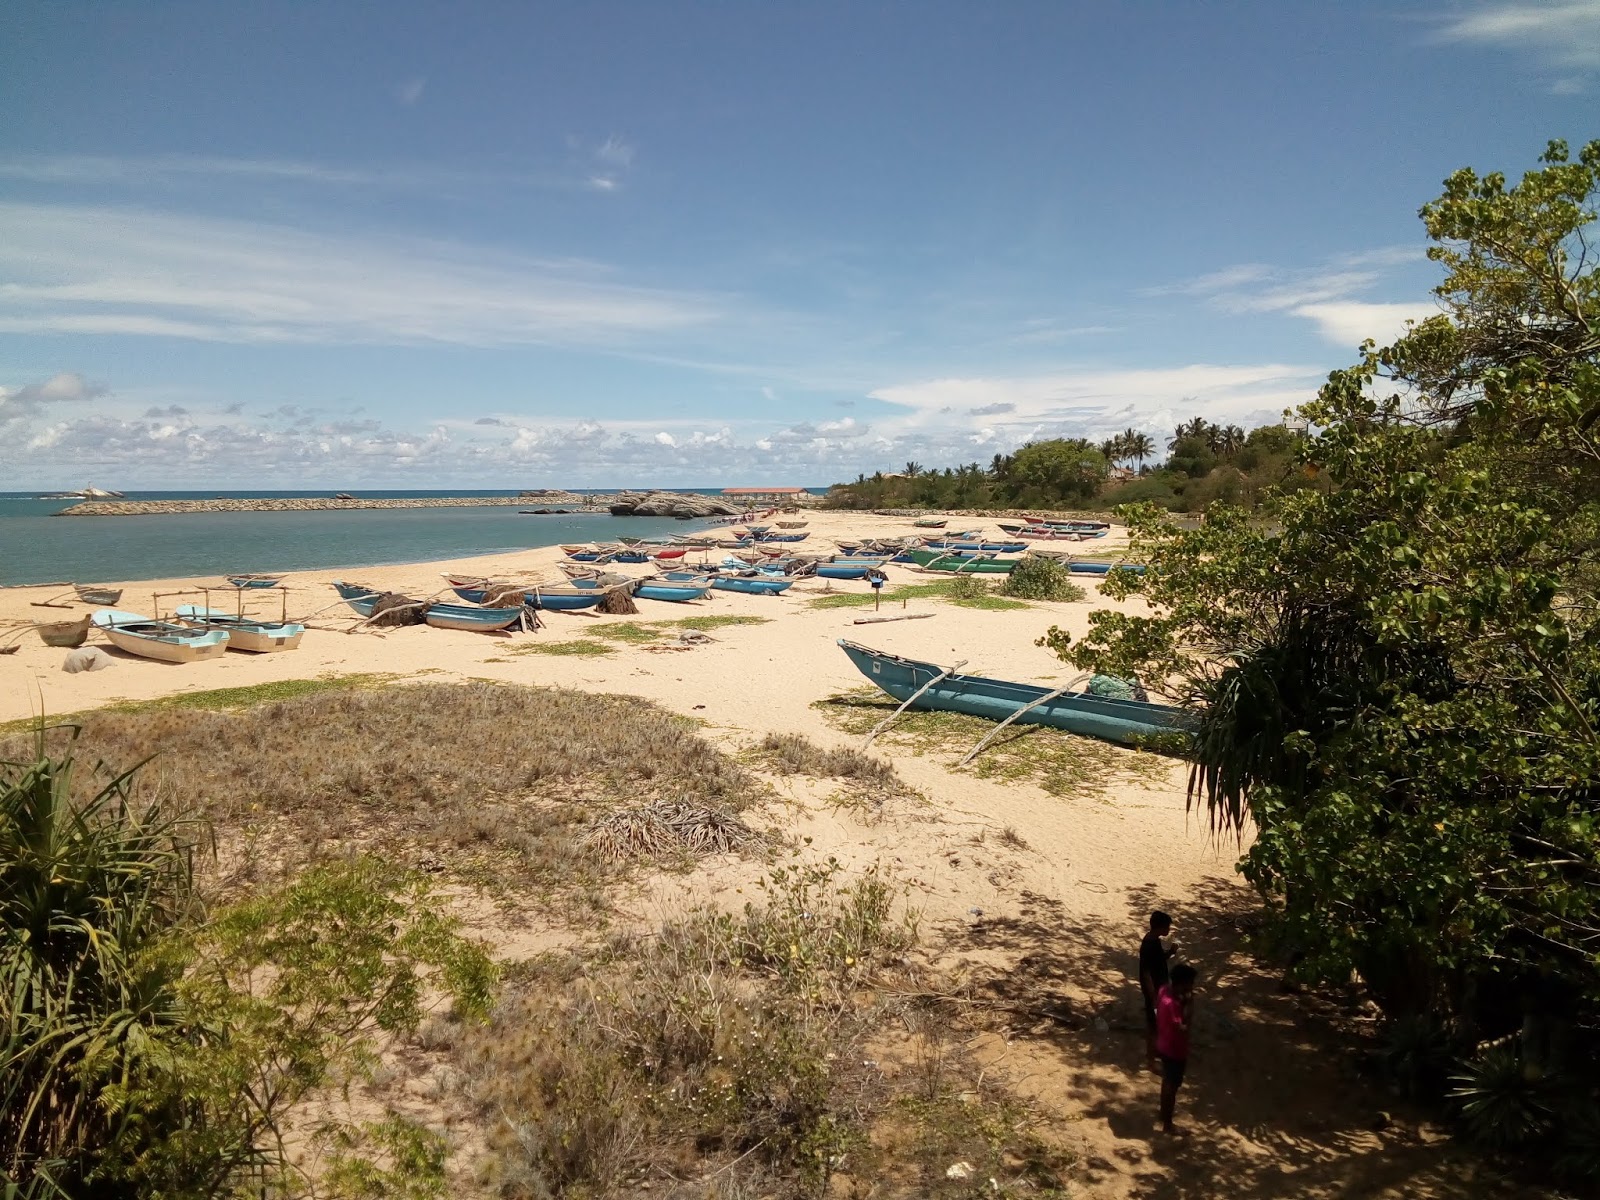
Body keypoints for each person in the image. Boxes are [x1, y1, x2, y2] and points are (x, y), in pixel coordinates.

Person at [1156, 963, 1197, 1134]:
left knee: (1167, 1081)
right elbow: (1182, 1027)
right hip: (1174, 1050)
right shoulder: (1173, 1005)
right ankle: (1168, 1124)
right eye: (1190, 983)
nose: (1192, 987)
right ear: (1183, 983)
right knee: (1171, 1086)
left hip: (1163, 1043)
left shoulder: (1164, 990)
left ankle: (1163, 1114)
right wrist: (1189, 1006)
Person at [1138, 911, 1176, 1070]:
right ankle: (1151, 1062)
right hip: (1154, 991)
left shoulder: (1153, 941)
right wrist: (1153, 995)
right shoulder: (1149, 945)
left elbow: (1159, 961)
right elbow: (1146, 974)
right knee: (1153, 1025)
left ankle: (1156, 1051)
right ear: (1160, 927)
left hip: (1159, 988)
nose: (1168, 930)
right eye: (1167, 926)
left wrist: (1171, 952)